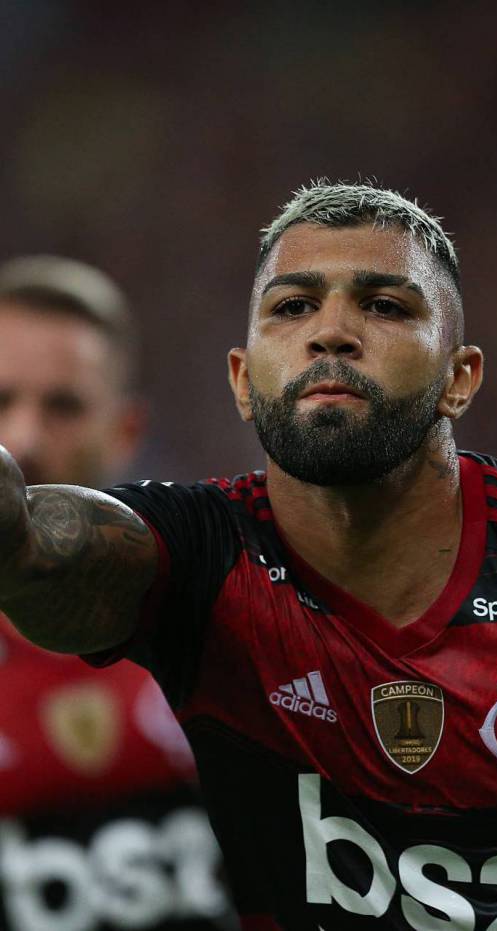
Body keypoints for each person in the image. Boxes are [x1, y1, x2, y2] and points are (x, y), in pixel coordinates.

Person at [0, 180, 497, 930]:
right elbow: (41, 546)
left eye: (386, 305)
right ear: (242, 378)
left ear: (460, 379)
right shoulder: (202, 561)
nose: (331, 331)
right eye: (293, 305)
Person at [0, 256, 236, 931]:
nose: (23, 440)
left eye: (64, 406)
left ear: (126, 432)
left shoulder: (230, 630)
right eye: (1, 402)